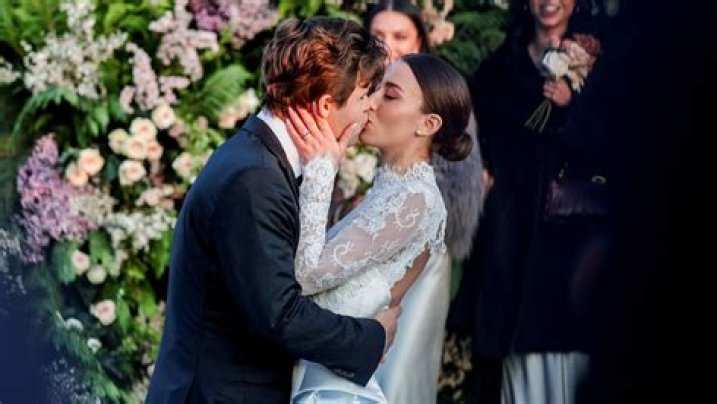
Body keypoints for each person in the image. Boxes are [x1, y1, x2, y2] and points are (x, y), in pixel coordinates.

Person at [146, 17, 400, 403]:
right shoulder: (255, 178)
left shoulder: (261, 158)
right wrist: (372, 336)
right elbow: (279, 316)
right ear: (325, 105)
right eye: (366, 94)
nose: (372, 107)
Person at [284, 53, 473, 403]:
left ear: (428, 124)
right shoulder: (391, 190)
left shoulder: (414, 200)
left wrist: (321, 170)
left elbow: (306, 276)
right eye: (376, 88)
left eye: (390, 95)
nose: (371, 102)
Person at [461, 0, 607, 403]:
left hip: (569, 224)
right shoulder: (500, 67)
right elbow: (476, 134)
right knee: (512, 324)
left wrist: (571, 106)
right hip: (511, 217)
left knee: (564, 327)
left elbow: (613, 139)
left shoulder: (599, 61)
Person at [364, 2, 486, 402]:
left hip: (420, 257)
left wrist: (403, 216)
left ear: (420, 40)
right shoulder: (358, 97)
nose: (388, 46)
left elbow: (462, 198)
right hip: (359, 255)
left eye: (400, 36)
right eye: (378, 36)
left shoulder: (441, 97)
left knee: (398, 375)